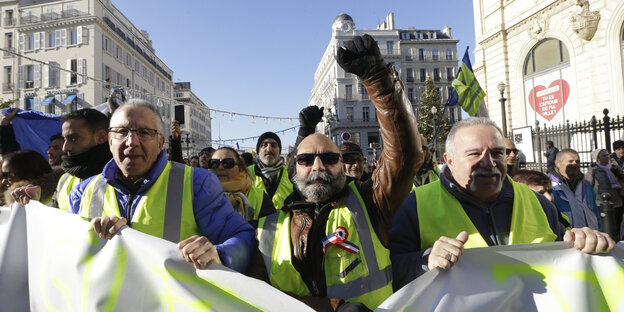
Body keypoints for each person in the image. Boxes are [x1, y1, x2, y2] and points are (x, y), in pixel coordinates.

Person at [247, 34, 423, 311]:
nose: (318, 166)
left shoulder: (371, 202)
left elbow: (405, 156)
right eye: (307, 160)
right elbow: (255, 296)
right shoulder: (266, 229)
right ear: (294, 170)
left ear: (342, 166)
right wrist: (330, 308)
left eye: (329, 158)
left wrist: (377, 78)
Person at [389, 118, 615, 291]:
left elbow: (565, 251)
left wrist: (585, 240)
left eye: (497, 153)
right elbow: (387, 274)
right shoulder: (415, 205)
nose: (488, 163)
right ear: (449, 160)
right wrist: (425, 260)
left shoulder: (536, 201)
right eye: (474, 153)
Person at [67, 100, 254, 272]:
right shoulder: (82, 192)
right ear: (110, 141)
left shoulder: (197, 184)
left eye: (144, 133)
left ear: (160, 143)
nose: (132, 142)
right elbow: (65, 253)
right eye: (122, 132)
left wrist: (218, 254)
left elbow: (242, 236)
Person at [10, 109, 112, 211]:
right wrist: (35, 203)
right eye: (64, 139)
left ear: (101, 137)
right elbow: (53, 221)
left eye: (73, 139)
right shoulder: (65, 180)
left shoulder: (120, 178)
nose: (65, 148)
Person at [208, 147, 275, 222]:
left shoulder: (260, 197)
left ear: (240, 168)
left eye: (228, 163)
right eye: (214, 163)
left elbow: (270, 229)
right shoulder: (196, 193)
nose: (220, 167)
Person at [548, 149, 601, 230]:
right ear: (557, 163)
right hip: (565, 237)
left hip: (590, 236)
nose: (575, 164)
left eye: (577, 161)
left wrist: (599, 231)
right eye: (570, 161)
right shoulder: (549, 185)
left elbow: (595, 212)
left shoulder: (585, 184)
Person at [585, 148, 624, 237]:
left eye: (607, 155)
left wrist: (617, 172)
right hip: (601, 203)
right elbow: (588, 185)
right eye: (604, 155)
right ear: (598, 158)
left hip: (617, 202)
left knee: (617, 226)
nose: (607, 157)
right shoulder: (594, 170)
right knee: (606, 226)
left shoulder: (614, 167)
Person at [249, 131, 292, 210]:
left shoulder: (291, 173)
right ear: (258, 151)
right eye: (264, 145)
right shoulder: (246, 174)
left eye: (274, 145)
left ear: (279, 151)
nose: (269, 149)